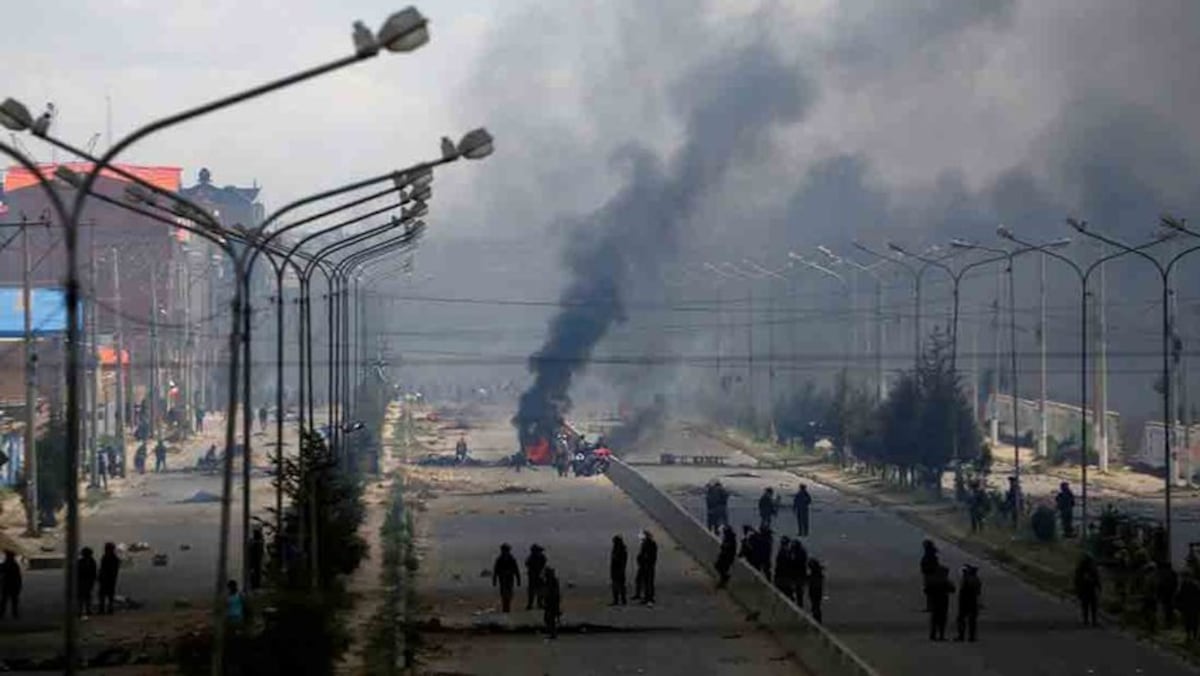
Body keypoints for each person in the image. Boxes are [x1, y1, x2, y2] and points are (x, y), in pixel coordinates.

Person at [928, 564, 955, 641]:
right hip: (943, 601)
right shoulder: (945, 581)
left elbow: (927, 590)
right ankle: (941, 635)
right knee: (942, 619)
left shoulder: (933, 581)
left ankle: (933, 634)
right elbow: (953, 589)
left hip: (935, 601)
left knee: (934, 618)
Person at [955, 565, 982, 642]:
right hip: (973, 601)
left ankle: (961, 636)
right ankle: (971, 637)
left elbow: (962, 589)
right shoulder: (977, 580)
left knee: (961, 619)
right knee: (972, 620)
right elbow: (978, 593)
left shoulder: (965, 579)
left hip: (964, 601)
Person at [1074, 554, 1102, 626]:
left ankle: (1090, 620)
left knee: (1089, 605)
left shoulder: (1088, 569)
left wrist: (1098, 586)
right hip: (1086, 589)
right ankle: (1090, 620)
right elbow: (1078, 580)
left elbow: (1096, 578)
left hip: (1088, 589)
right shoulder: (1083, 569)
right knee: (1089, 606)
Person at [492, 543, 520, 613]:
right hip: (502, 579)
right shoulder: (499, 559)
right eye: (504, 550)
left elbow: (516, 570)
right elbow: (496, 570)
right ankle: (505, 607)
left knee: (509, 593)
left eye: (506, 550)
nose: (505, 552)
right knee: (503, 594)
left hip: (509, 579)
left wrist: (518, 580)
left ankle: (507, 607)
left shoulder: (512, 559)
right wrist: (494, 580)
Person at [635, 530, 658, 605]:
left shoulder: (650, 544)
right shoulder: (646, 543)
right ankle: (645, 596)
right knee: (643, 581)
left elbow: (648, 555)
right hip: (645, 565)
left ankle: (649, 598)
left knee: (648, 582)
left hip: (647, 566)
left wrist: (643, 560)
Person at [98, 542, 121, 615]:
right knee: (109, 595)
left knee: (104, 595)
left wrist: (101, 576)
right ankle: (108, 609)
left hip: (107, 578)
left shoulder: (107, 558)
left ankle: (104, 609)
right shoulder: (114, 558)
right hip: (110, 579)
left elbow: (104, 569)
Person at [1179, 571, 1200, 641]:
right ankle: (1189, 635)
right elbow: (1181, 595)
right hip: (1187, 606)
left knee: (1193, 621)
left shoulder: (1194, 585)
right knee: (1188, 621)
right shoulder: (1184, 584)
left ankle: (1194, 635)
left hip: (1193, 605)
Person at [525, 544, 548, 610]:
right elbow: (527, 564)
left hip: (539, 576)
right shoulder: (531, 558)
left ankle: (539, 603)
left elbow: (544, 564)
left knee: (540, 590)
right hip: (533, 576)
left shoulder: (540, 557)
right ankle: (531, 604)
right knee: (532, 591)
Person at [920, 539, 940, 612]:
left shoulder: (929, 554)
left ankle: (931, 607)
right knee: (930, 591)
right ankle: (931, 606)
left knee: (930, 591)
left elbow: (931, 565)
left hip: (930, 574)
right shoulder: (930, 553)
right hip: (929, 574)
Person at [1159, 559, 1179, 629]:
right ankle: (1170, 624)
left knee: (1167, 610)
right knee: (1170, 610)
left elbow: (1161, 585)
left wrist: (1160, 594)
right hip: (1171, 594)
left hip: (1166, 595)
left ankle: (1168, 624)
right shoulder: (1173, 574)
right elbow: (1176, 584)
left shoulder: (1164, 574)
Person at [0, 550, 21, 619]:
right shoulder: (15, 565)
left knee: (4, 601)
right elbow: (18, 577)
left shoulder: (6, 565)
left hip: (7, 585)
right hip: (12, 585)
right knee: (13, 601)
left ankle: (3, 614)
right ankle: (15, 614)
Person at [78, 546, 98, 618]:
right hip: (86, 581)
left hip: (83, 581)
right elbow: (94, 572)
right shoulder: (92, 561)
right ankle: (86, 610)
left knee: (83, 597)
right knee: (86, 597)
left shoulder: (81, 562)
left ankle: (82, 611)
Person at [543, 567, 562, 639]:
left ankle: (553, 633)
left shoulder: (551, 581)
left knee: (550, 618)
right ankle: (552, 633)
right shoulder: (551, 581)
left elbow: (552, 593)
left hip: (552, 602)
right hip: (551, 602)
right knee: (549, 618)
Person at [791, 539, 809, 608]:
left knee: (797, 589)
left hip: (797, 573)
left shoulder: (798, 554)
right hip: (800, 573)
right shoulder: (802, 552)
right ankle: (799, 603)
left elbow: (796, 563)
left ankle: (798, 603)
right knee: (798, 589)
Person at [610, 535, 628, 605]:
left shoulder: (620, 550)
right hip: (617, 570)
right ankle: (621, 600)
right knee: (620, 586)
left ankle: (618, 600)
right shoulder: (620, 549)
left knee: (618, 586)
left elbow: (621, 561)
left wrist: (621, 570)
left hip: (618, 570)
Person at [807, 559, 825, 623]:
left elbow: (812, 582)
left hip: (815, 592)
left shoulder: (815, 575)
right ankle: (817, 620)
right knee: (816, 607)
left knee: (815, 607)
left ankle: (817, 621)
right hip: (817, 592)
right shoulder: (818, 574)